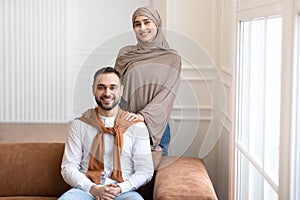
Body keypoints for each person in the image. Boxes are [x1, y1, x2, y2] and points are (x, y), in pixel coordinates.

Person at [59, 67, 154, 200]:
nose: (107, 93)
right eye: (101, 87)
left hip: (124, 192)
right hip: (86, 191)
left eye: (112, 87)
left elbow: (145, 171)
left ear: (121, 90)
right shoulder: (80, 125)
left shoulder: (137, 126)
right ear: (93, 90)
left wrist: (121, 188)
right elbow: (68, 168)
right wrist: (93, 188)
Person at [114, 6, 182, 156]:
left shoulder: (172, 58)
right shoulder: (126, 53)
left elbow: (167, 94)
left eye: (147, 22)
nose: (142, 28)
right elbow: (115, 88)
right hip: (125, 125)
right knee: (122, 175)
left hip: (156, 126)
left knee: (152, 177)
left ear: (156, 24)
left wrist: (143, 116)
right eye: (137, 24)